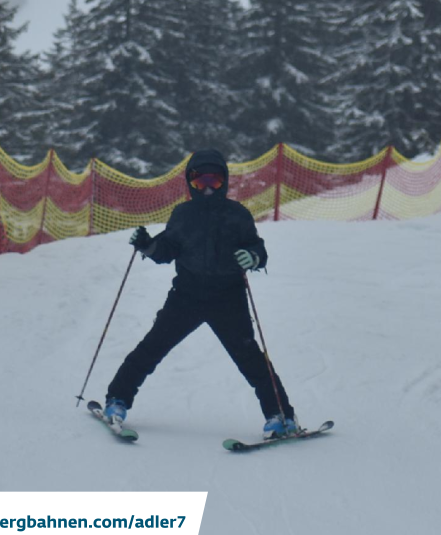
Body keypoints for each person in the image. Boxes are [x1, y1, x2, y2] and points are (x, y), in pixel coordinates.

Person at [104, 149, 299, 438]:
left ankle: (281, 416)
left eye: (215, 181)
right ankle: (117, 400)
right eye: (199, 181)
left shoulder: (237, 215)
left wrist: (253, 257)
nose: (207, 188)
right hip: (186, 296)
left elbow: (257, 247)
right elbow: (166, 250)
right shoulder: (183, 215)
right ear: (190, 183)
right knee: (152, 348)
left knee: (251, 359)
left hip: (228, 299)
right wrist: (147, 245)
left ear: (225, 182)